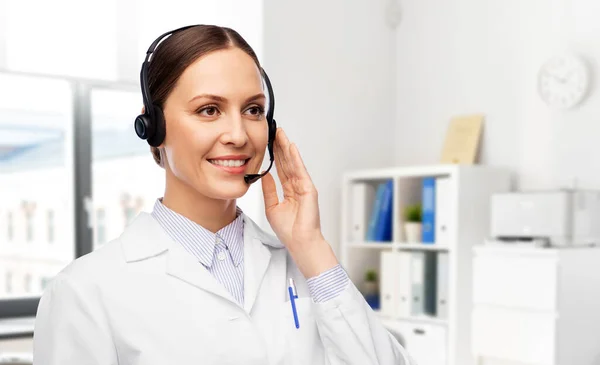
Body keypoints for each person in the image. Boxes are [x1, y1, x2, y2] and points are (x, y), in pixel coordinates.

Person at [32, 24, 414, 365]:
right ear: (154, 127)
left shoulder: (304, 266)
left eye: (252, 109)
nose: (238, 134)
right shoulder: (84, 292)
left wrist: (312, 248)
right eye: (209, 110)